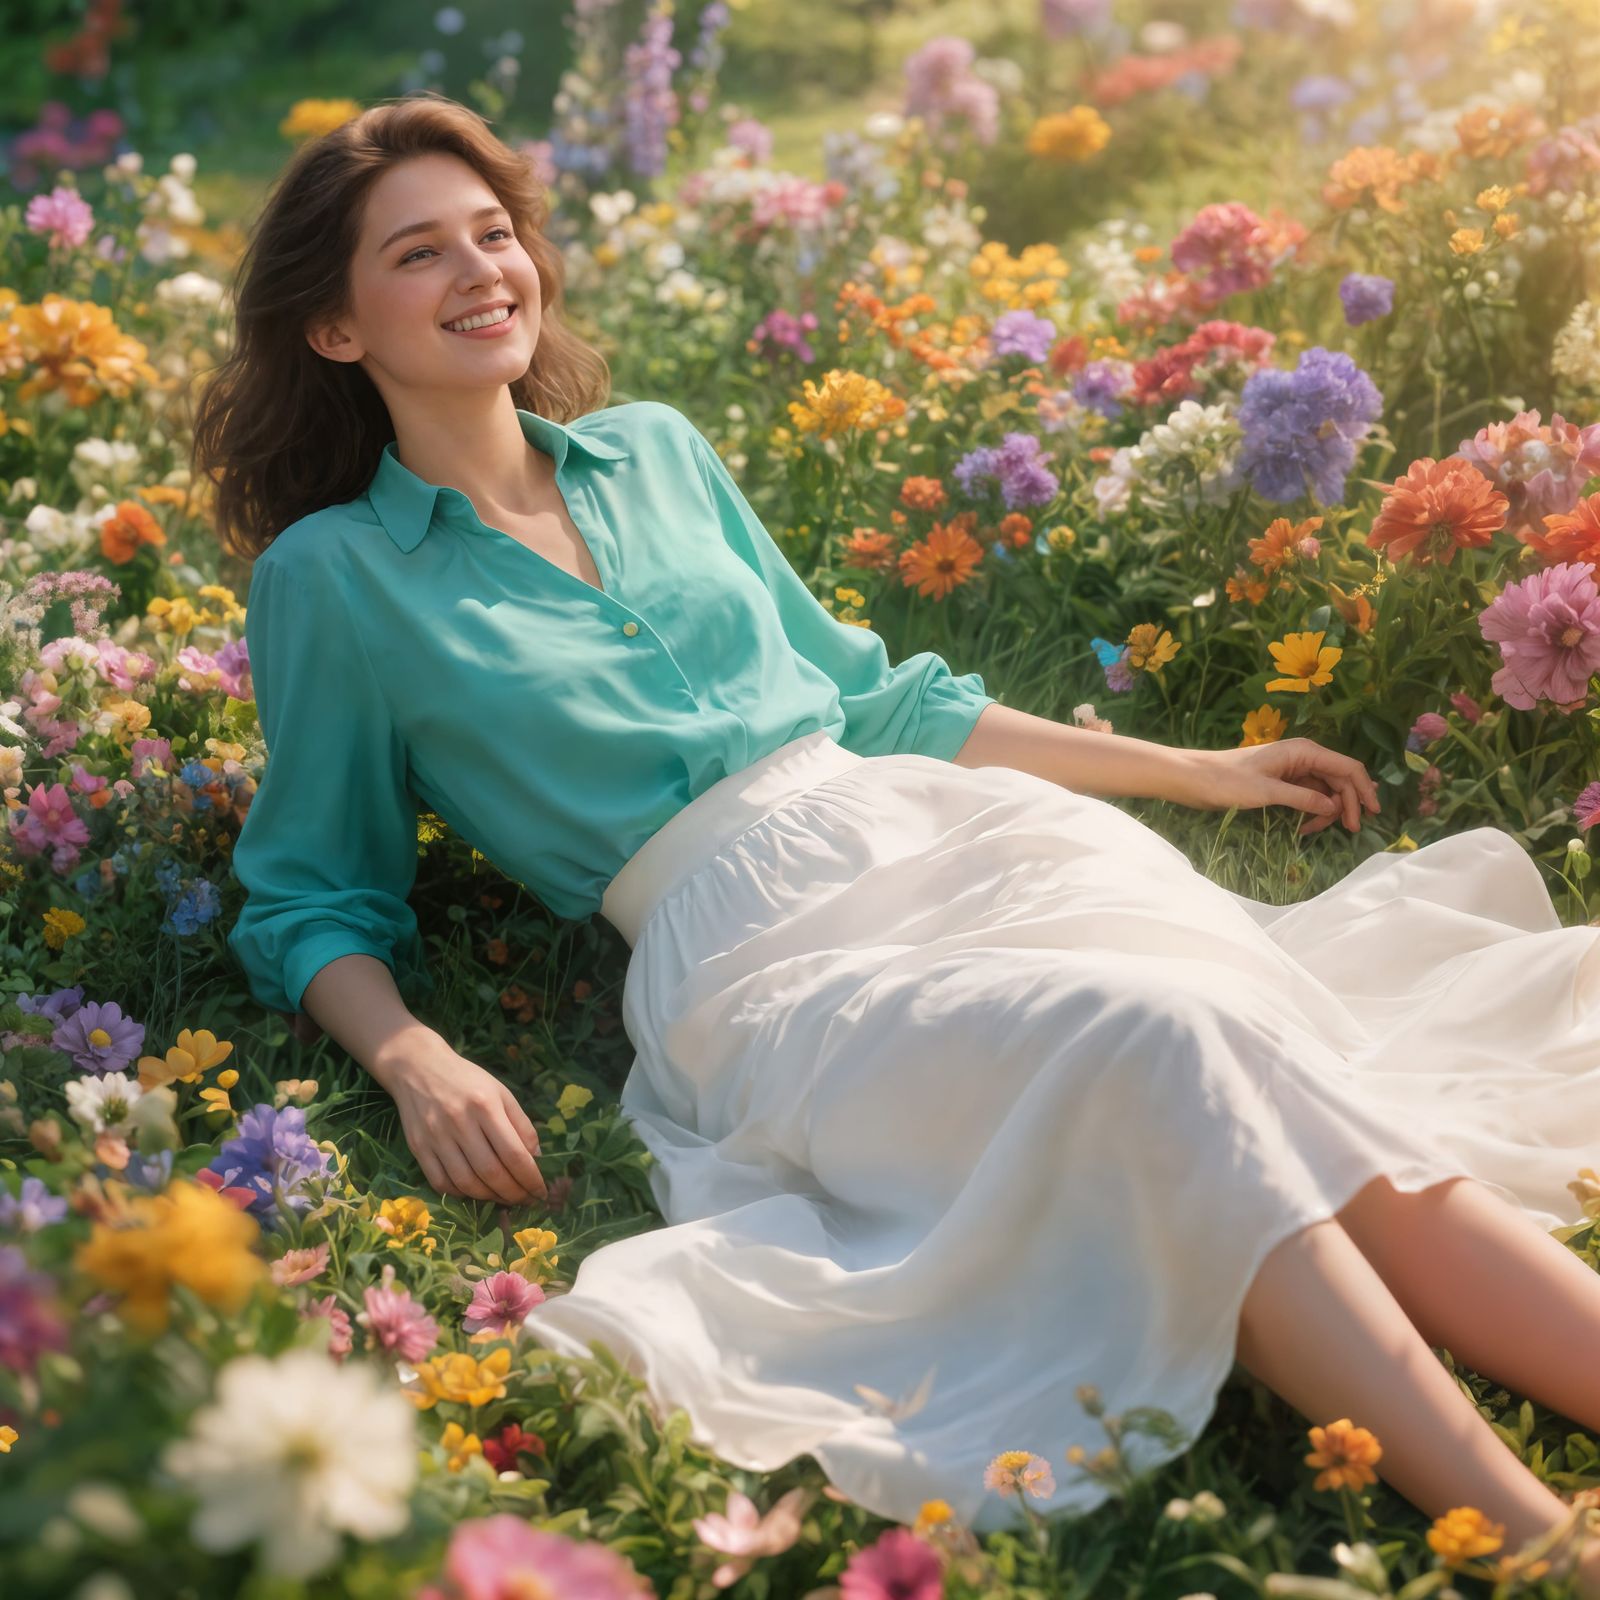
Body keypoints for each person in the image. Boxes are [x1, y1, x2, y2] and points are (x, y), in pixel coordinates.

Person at [192, 92, 1600, 1578]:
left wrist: (1197, 769)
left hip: (959, 839)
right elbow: (310, 892)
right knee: (1159, 1045)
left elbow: (876, 702)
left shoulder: (655, 451)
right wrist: (415, 1059)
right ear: (333, 327)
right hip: (749, 951)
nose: (482, 271)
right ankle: (1543, 1545)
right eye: (418, 253)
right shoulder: (334, 575)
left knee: (1248, 1049)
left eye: (494, 233)